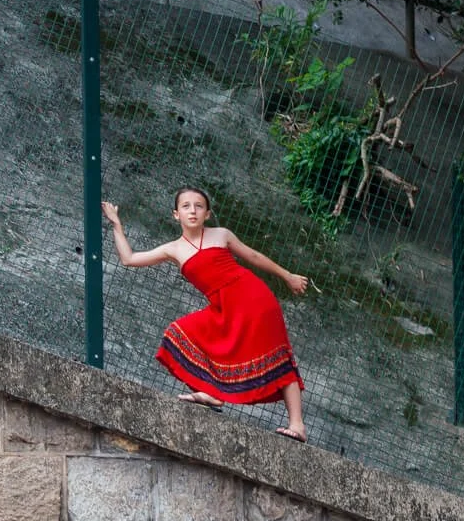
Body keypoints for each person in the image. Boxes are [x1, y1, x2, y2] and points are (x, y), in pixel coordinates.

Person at [101, 188, 310, 443]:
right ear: (176, 214)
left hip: (254, 298)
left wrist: (287, 276)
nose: (193, 211)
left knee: (277, 355)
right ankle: (212, 393)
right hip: (223, 306)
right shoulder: (173, 249)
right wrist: (117, 224)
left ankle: (297, 425)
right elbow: (129, 258)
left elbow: (254, 257)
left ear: (207, 213)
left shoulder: (221, 235)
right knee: (179, 333)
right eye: (186, 206)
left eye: (199, 206)